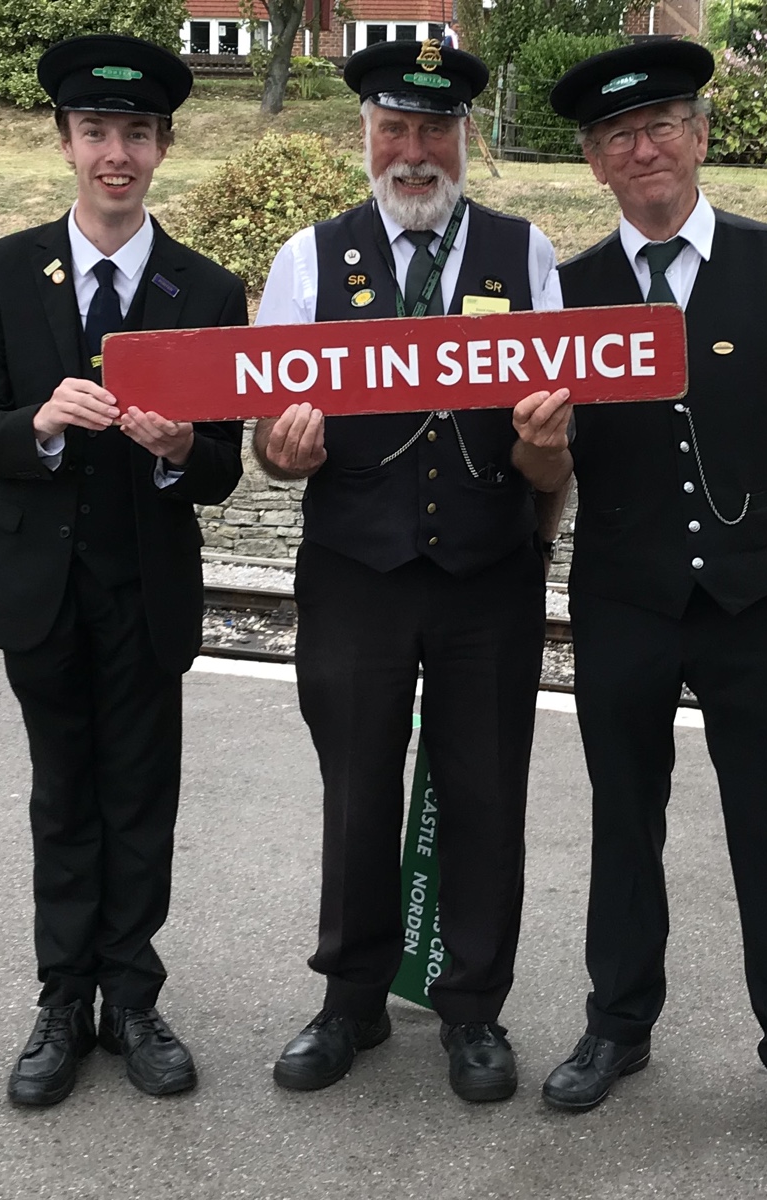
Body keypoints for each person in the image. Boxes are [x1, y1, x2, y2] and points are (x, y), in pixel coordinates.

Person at [512, 39, 767, 1167]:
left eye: (664, 122)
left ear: (701, 135)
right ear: (594, 165)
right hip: (624, 597)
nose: (645, 147)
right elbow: (547, 476)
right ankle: (619, 1025)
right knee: (625, 826)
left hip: (754, 597)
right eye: (620, 136)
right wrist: (538, 454)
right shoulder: (562, 291)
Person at [253, 39, 566, 1103]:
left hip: (488, 570)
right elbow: (263, 424)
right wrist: (276, 448)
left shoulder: (525, 257)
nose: (417, 151)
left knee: (485, 790)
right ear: (368, 139)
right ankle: (349, 1002)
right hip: (355, 569)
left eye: (436, 129)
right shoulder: (309, 257)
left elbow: (555, 440)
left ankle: (473, 1009)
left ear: (463, 138)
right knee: (356, 788)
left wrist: (542, 452)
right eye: (398, 128)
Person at [0, 34, 246, 1107]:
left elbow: (222, 466)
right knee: (62, 798)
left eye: (135, 134)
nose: (114, 153)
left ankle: (134, 997)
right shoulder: (4, 270)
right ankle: (60, 1000)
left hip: (144, 585)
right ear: (67, 143)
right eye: (95, 133)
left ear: (161, 146)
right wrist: (35, 423)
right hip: (41, 587)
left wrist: (178, 453)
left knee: (139, 798)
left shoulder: (206, 289)